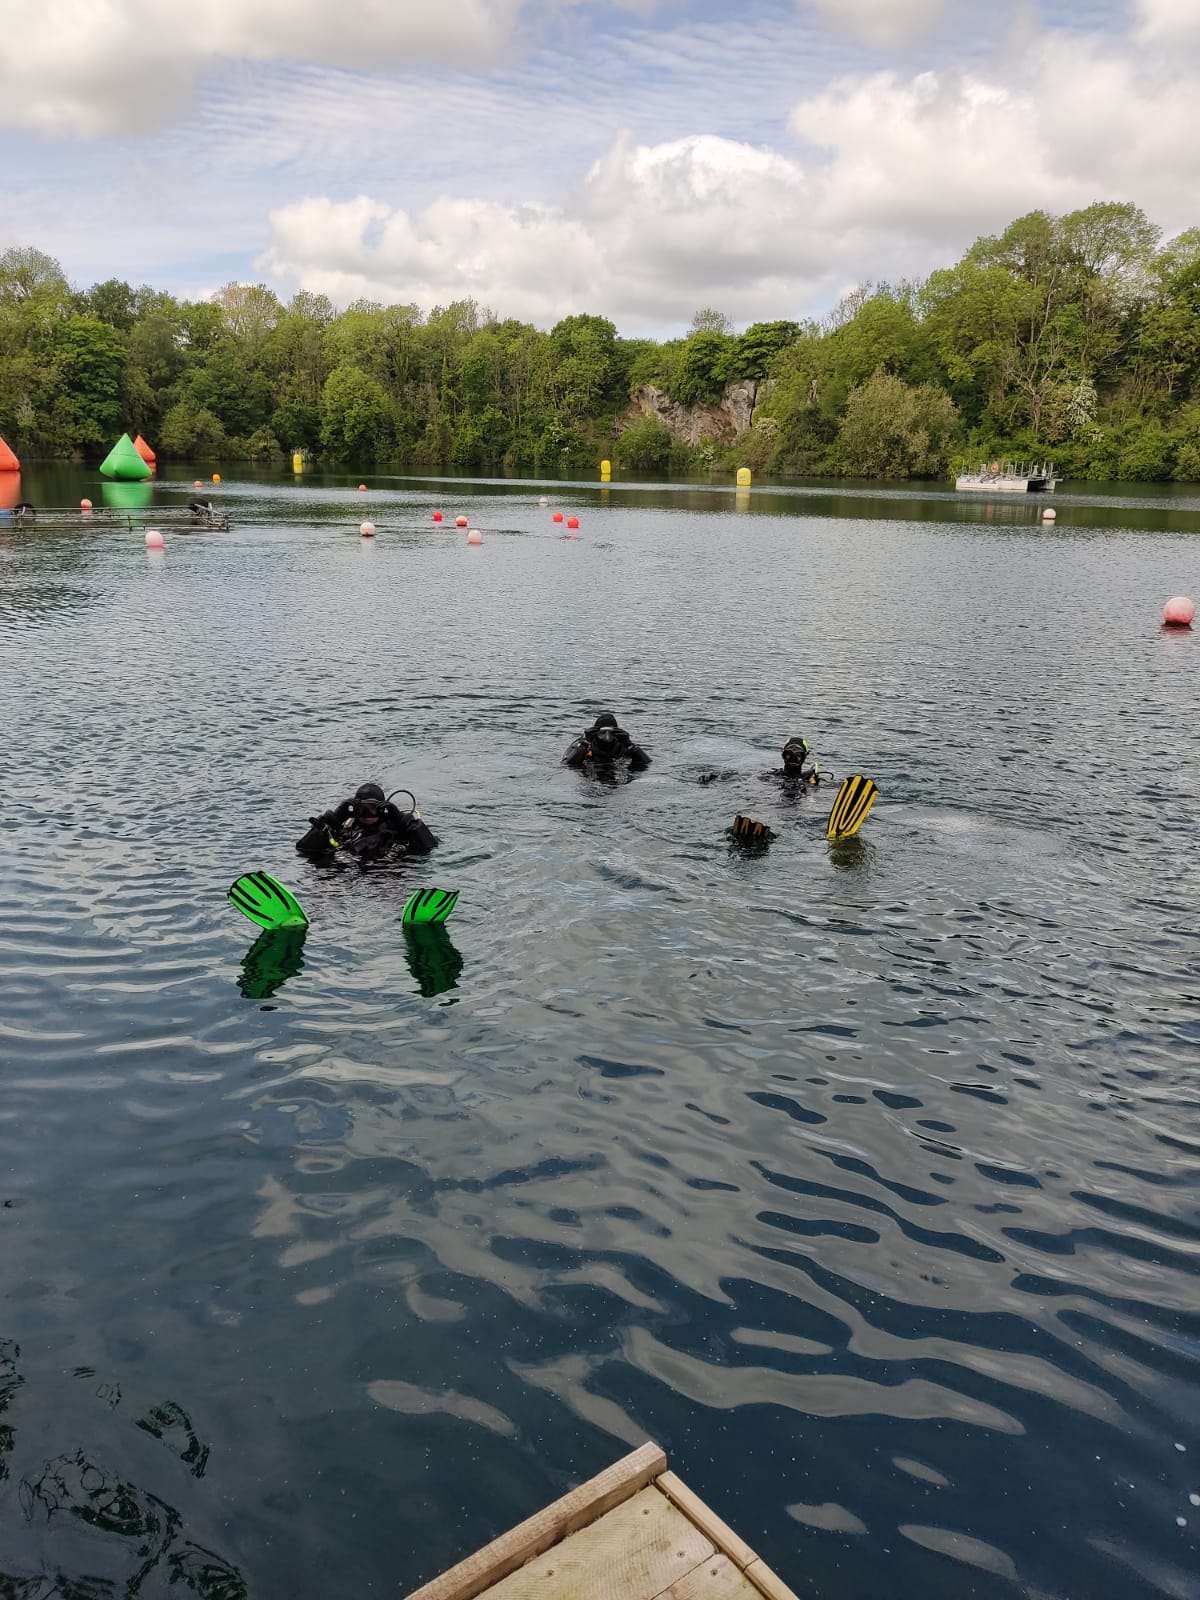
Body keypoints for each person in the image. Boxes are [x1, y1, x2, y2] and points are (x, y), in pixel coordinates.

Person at [296, 782, 438, 863]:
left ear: (382, 809)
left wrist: (400, 818)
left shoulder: (397, 829)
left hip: (386, 872)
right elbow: (304, 849)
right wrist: (334, 819)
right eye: (362, 809)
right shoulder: (345, 830)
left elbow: (429, 847)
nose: (367, 814)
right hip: (348, 873)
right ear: (354, 809)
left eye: (373, 808)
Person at [562, 711, 650, 772]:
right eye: (602, 733)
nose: (607, 737)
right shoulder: (584, 744)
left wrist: (629, 744)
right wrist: (583, 744)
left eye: (611, 733)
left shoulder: (622, 744)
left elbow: (646, 764)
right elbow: (567, 765)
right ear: (596, 732)